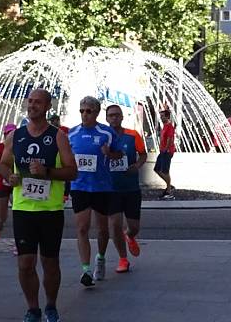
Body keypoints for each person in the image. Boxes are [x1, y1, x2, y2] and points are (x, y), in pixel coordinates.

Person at [0, 89, 77, 322]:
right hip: (23, 208)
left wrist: (48, 172)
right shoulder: (16, 136)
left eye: (37, 102)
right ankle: (33, 308)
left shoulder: (58, 136)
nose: (32, 105)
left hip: (50, 210)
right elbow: (2, 163)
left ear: (47, 107)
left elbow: (73, 171)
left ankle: (51, 306)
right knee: (25, 263)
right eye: (30, 101)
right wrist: (8, 177)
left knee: (50, 262)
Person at [68, 96, 121, 287]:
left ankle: (100, 257)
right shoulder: (72, 133)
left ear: (97, 112)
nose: (84, 114)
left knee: (102, 229)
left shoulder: (106, 132)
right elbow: (66, 159)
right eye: (81, 111)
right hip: (79, 186)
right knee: (82, 228)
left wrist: (110, 154)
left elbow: (119, 154)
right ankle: (85, 270)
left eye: (88, 111)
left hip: (101, 186)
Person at [105, 105, 147, 273]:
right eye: (111, 115)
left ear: (122, 117)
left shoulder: (133, 135)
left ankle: (129, 236)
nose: (114, 118)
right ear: (106, 118)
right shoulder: (103, 136)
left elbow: (143, 154)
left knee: (134, 227)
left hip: (131, 188)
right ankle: (123, 259)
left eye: (117, 115)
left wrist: (137, 165)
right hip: (111, 188)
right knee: (114, 225)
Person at [153, 110, 176, 199]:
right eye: (161, 116)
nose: (161, 117)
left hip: (167, 151)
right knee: (157, 169)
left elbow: (170, 139)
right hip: (163, 151)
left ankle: (169, 191)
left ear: (167, 117)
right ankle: (169, 186)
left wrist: (165, 150)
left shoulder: (169, 126)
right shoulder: (165, 126)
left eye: (162, 116)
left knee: (165, 171)